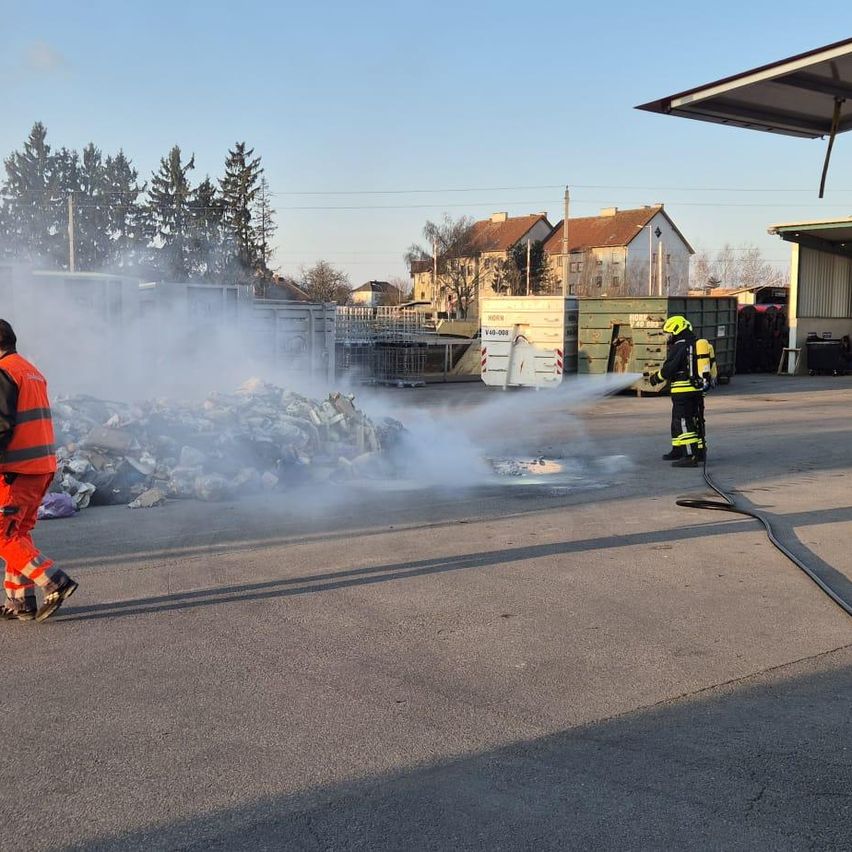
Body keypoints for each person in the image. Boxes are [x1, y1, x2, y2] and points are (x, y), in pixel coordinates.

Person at [0, 319, 77, 622]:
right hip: (40, 467)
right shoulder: (31, 371)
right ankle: (20, 601)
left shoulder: (4, 371)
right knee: (16, 532)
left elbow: (2, 425)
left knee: (3, 536)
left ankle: (55, 581)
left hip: (16, 470)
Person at [649, 315, 706, 468]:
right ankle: (688, 450)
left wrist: (656, 378)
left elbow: (670, 368)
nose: (668, 337)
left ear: (676, 330)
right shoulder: (694, 344)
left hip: (683, 390)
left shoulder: (679, 346)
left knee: (683, 421)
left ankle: (690, 455)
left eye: (669, 333)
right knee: (695, 420)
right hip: (696, 389)